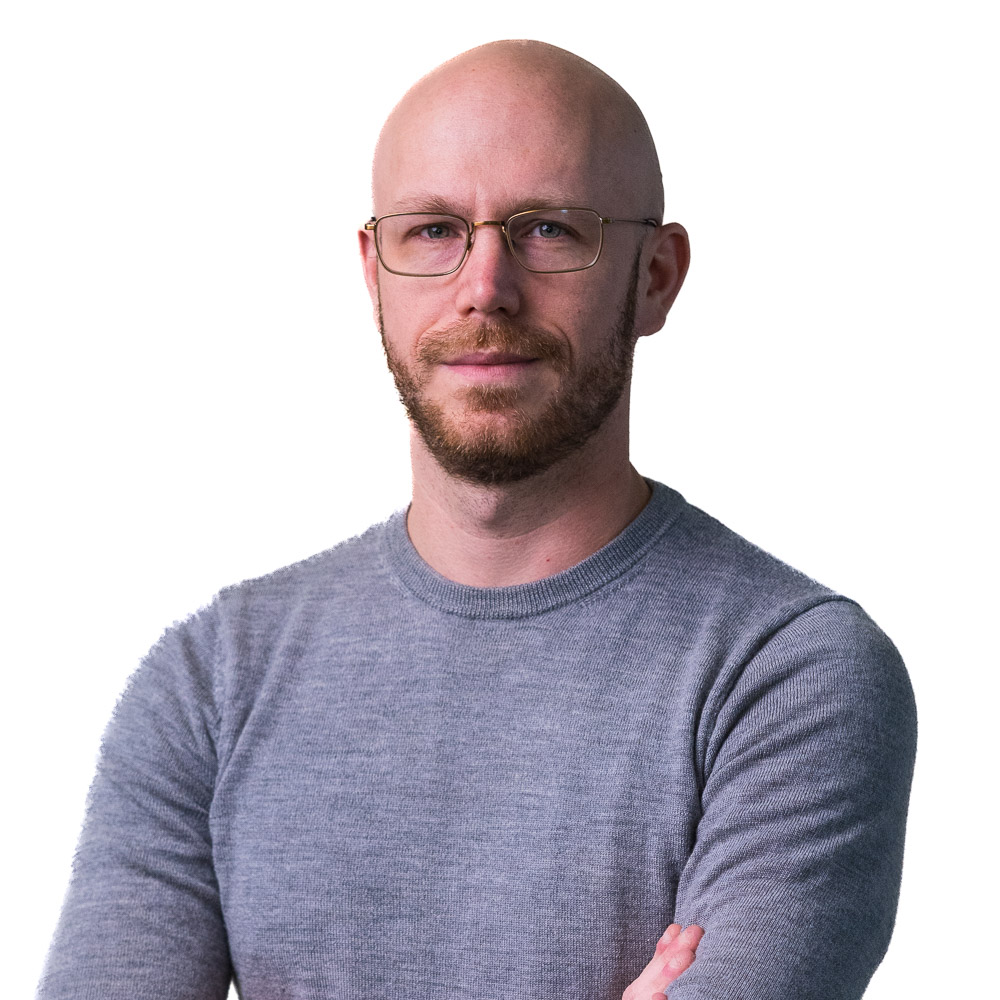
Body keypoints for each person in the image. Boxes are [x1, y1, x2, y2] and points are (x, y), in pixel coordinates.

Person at [36, 39, 917, 1000]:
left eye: (548, 229)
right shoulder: (209, 684)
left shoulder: (788, 674)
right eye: (433, 231)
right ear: (374, 272)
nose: (485, 286)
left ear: (656, 277)